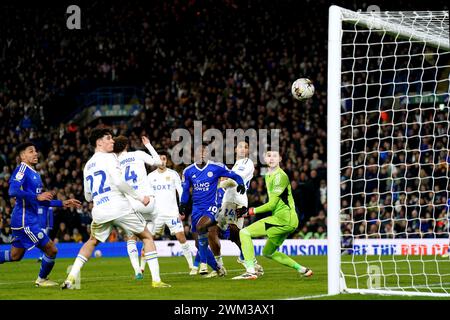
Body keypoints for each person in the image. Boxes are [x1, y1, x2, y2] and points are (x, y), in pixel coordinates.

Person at [61, 128, 170, 289]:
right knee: (147, 237)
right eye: (109, 138)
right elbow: (119, 183)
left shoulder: (88, 165)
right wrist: (140, 197)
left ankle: (71, 278)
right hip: (119, 207)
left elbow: (88, 196)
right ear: (99, 142)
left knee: (91, 241)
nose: (113, 141)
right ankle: (156, 280)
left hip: (100, 210)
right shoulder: (110, 157)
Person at [0, 142, 81, 287]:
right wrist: (36, 197)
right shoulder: (22, 169)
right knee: (51, 249)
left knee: (15, 255)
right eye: (31, 151)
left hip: (26, 220)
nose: (35, 153)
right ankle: (42, 279)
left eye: (36, 151)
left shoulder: (35, 174)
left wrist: (62, 203)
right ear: (22, 156)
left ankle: (42, 279)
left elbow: (41, 201)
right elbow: (12, 190)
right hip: (25, 221)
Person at [232, 148, 313, 280]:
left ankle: (251, 271)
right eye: (268, 156)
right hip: (288, 220)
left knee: (244, 232)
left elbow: (272, 204)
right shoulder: (269, 176)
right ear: (265, 159)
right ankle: (302, 269)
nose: (271, 158)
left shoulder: (279, 177)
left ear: (280, 159)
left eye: (275, 156)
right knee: (268, 252)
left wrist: (250, 211)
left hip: (283, 218)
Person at [179, 143, 246, 277]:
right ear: (194, 155)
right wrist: (182, 204)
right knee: (198, 243)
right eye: (199, 152)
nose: (202, 154)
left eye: (205, 152)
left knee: (201, 227)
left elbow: (233, 175)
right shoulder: (188, 171)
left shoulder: (216, 167)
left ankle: (204, 265)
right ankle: (218, 267)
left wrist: (241, 183)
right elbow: (186, 191)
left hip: (213, 206)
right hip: (197, 208)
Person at [113, 135, 161, 280]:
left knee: (131, 238)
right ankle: (147, 262)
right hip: (149, 202)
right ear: (126, 146)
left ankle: (137, 271)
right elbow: (158, 162)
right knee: (149, 234)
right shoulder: (138, 154)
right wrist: (149, 145)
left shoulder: (114, 162)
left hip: (132, 204)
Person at [215, 140, 263, 274]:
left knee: (217, 229)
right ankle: (247, 258)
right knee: (236, 233)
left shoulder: (246, 163)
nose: (243, 149)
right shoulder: (236, 164)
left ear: (248, 151)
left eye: (246, 147)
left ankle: (216, 265)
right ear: (235, 150)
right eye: (240, 147)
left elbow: (235, 180)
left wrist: (218, 184)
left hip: (235, 201)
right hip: (232, 200)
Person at [146, 150, 194, 274]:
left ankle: (191, 266)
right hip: (156, 214)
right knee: (148, 238)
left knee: (181, 237)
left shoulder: (173, 174)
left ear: (167, 161)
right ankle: (141, 268)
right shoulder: (150, 177)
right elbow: (148, 196)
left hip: (172, 212)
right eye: (160, 159)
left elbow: (181, 192)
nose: (162, 161)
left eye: (164, 159)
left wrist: (181, 208)